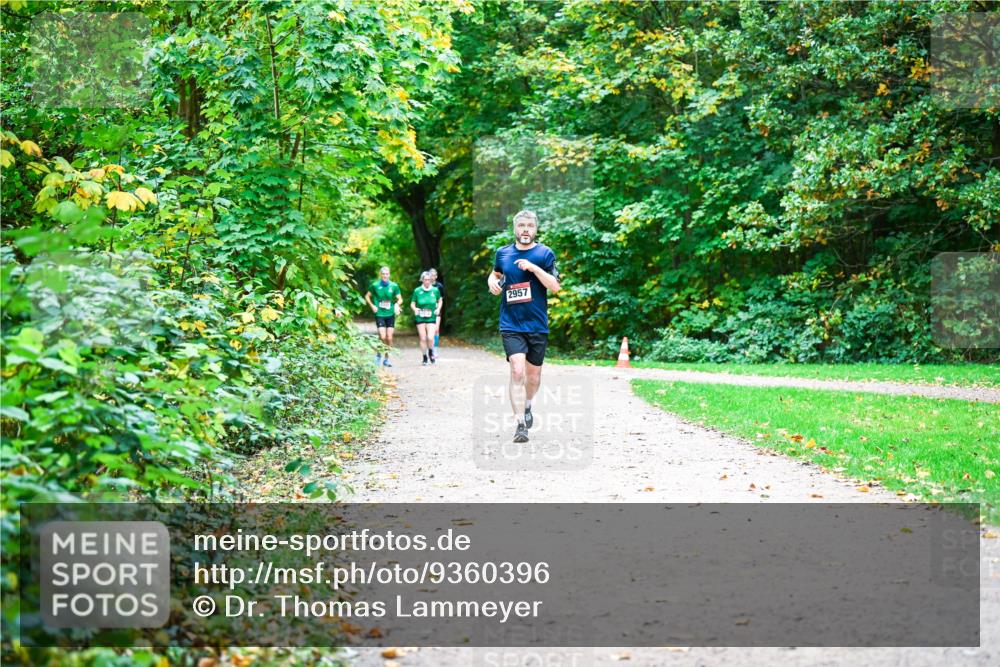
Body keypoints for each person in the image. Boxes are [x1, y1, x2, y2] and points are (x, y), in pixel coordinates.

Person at [486, 210, 560, 443]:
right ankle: (520, 424)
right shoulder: (503, 253)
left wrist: (534, 268)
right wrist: (492, 282)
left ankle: (528, 405)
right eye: (521, 226)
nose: (525, 230)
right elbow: (495, 273)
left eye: (529, 226)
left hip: (537, 324)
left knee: (533, 377)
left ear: (535, 229)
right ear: (515, 229)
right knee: (517, 370)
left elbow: (555, 286)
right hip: (511, 323)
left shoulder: (544, 254)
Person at [364, 266, 402, 367]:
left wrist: (397, 305)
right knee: (382, 336)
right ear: (380, 275)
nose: (385, 276)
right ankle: (378, 354)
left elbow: (400, 299)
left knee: (389, 337)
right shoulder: (375, 285)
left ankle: (387, 359)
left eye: (387, 274)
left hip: (390, 314)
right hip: (379, 313)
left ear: (389, 275)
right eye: (383, 274)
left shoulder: (394, 286)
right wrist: (372, 306)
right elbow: (367, 296)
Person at [411, 271, 443, 366]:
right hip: (420, 316)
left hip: (431, 317)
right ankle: (424, 357)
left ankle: (431, 352)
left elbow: (440, 300)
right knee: (423, 338)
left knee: (430, 337)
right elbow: (412, 303)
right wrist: (415, 309)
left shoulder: (435, 290)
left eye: (429, 280)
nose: (427, 281)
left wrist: (438, 309)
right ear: (422, 280)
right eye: (425, 279)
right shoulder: (417, 291)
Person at [428, 268, 445, 352]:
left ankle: (435, 349)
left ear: (436, 276)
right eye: (431, 275)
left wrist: (438, 308)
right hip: (427, 311)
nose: (432, 277)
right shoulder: (426, 285)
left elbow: (441, 299)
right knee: (428, 331)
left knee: (436, 329)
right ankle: (429, 348)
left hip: (436, 310)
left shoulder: (439, 286)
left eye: (434, 275)